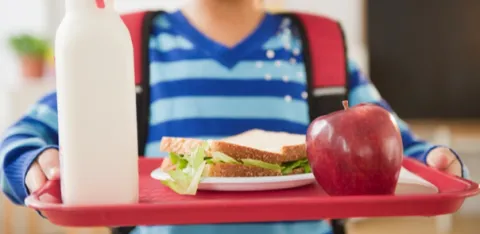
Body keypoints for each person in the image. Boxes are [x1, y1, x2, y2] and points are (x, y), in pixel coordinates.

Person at [0, 0, 469, 234]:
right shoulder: (124, 44)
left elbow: (398, 148)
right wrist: (35, 162)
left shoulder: (322, 49)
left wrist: (435, 161)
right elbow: (25, 135)